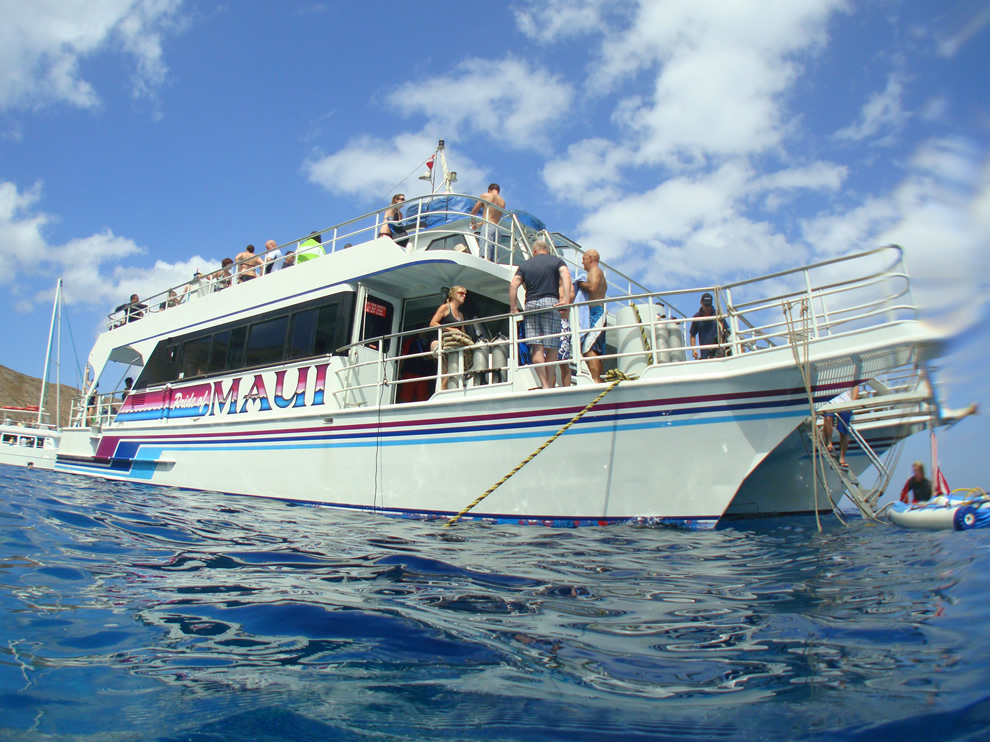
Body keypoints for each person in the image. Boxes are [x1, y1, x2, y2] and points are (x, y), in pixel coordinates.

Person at [509, 240, 572, 389]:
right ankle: (549, 384)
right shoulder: (556, 261)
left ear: (534, 251)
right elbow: (567, 277)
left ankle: (543, 384)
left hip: (530, 304)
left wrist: (513, 308)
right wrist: (566, 300)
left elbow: (513, 285)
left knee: (537, 347)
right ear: (547, 251)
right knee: (552, 347)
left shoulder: (525, 265)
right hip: (551, 302)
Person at [429, 286, 471, 390]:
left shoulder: (461, 315)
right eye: (461, 293)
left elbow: (463, 333)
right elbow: (433, 323)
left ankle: (450, 388)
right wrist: (450, 329)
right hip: (439, 341)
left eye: (465, 294)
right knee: (446, 357)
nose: (464, 296)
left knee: (459, 359)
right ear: (453, 295)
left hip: (454, 345)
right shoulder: (445, 307)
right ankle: (443, 389)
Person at [575, 249, 607, 383]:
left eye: (583, 259)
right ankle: (599, 379)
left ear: (590, 259)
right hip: (596, 312)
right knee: (594, 349)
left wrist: (579, 283)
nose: (582, 262)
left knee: (589, 348)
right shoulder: (598, 273)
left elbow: (592, 288)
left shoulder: (595, 272)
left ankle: (595, 380)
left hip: (596, 313)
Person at [822, 385, 859, 469]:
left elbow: (855, 387)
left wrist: (852, 402)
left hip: (845, 404)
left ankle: (842, 456)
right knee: (828, 418)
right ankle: (829, 442)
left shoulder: (851, 376)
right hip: (831, 402)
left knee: (844, 432)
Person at [470, 184, 506, 262]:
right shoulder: (503, 202)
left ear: (489, 190)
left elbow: (473, 212)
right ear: (498, 191)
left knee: (485, 255)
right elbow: (492, 218)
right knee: (494, 258)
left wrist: (473, 222)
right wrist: (478, 224)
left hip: (488, 227)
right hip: (497, 229)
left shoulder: (486, 196)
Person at [689, 293, 729, 360]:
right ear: (701, 302)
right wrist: (694, 350)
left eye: (709, 305)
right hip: (705, 354)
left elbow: (726, 331)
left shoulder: (718, 314)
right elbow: (692, 335)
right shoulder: (696, 317)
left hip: (719, 352)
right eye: (705, 305)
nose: (707, 307)